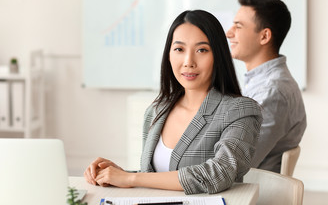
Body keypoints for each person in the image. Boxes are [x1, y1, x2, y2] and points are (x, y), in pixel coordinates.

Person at [84, 10, 262, 194]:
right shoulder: (157, 110)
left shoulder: (240, 110)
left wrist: (131, 178)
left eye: (202, 50)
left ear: (218, 56)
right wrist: (117, 175)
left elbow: (218, 174)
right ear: (168, 55)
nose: (188, 62)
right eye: (179, 49)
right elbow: (156, 176)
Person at [226, 0, 307, 173]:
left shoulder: (271, 92)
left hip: (254, 193)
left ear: (264, 36)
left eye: (238, 26)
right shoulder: (262, 83)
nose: (229, 33)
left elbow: (234, 163)